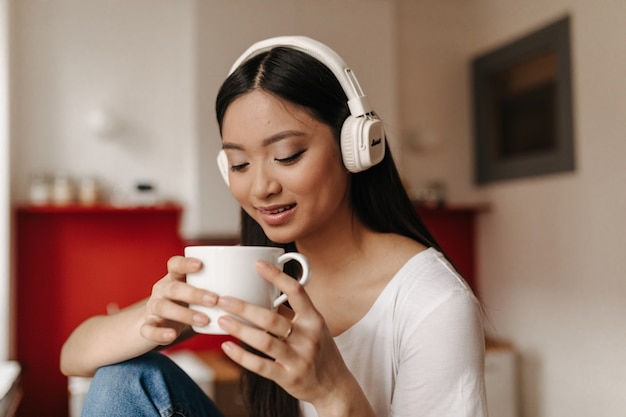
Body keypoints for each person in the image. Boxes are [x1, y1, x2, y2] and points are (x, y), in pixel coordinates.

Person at [60, 36, 487, 417]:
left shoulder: (432, 300)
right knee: (125, 377)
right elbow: (73, 357)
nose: (261, 187)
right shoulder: (261, 281)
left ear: (355, 146)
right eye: (240, 164)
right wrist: (154, 317)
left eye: (286, 156)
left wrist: (334, 394)